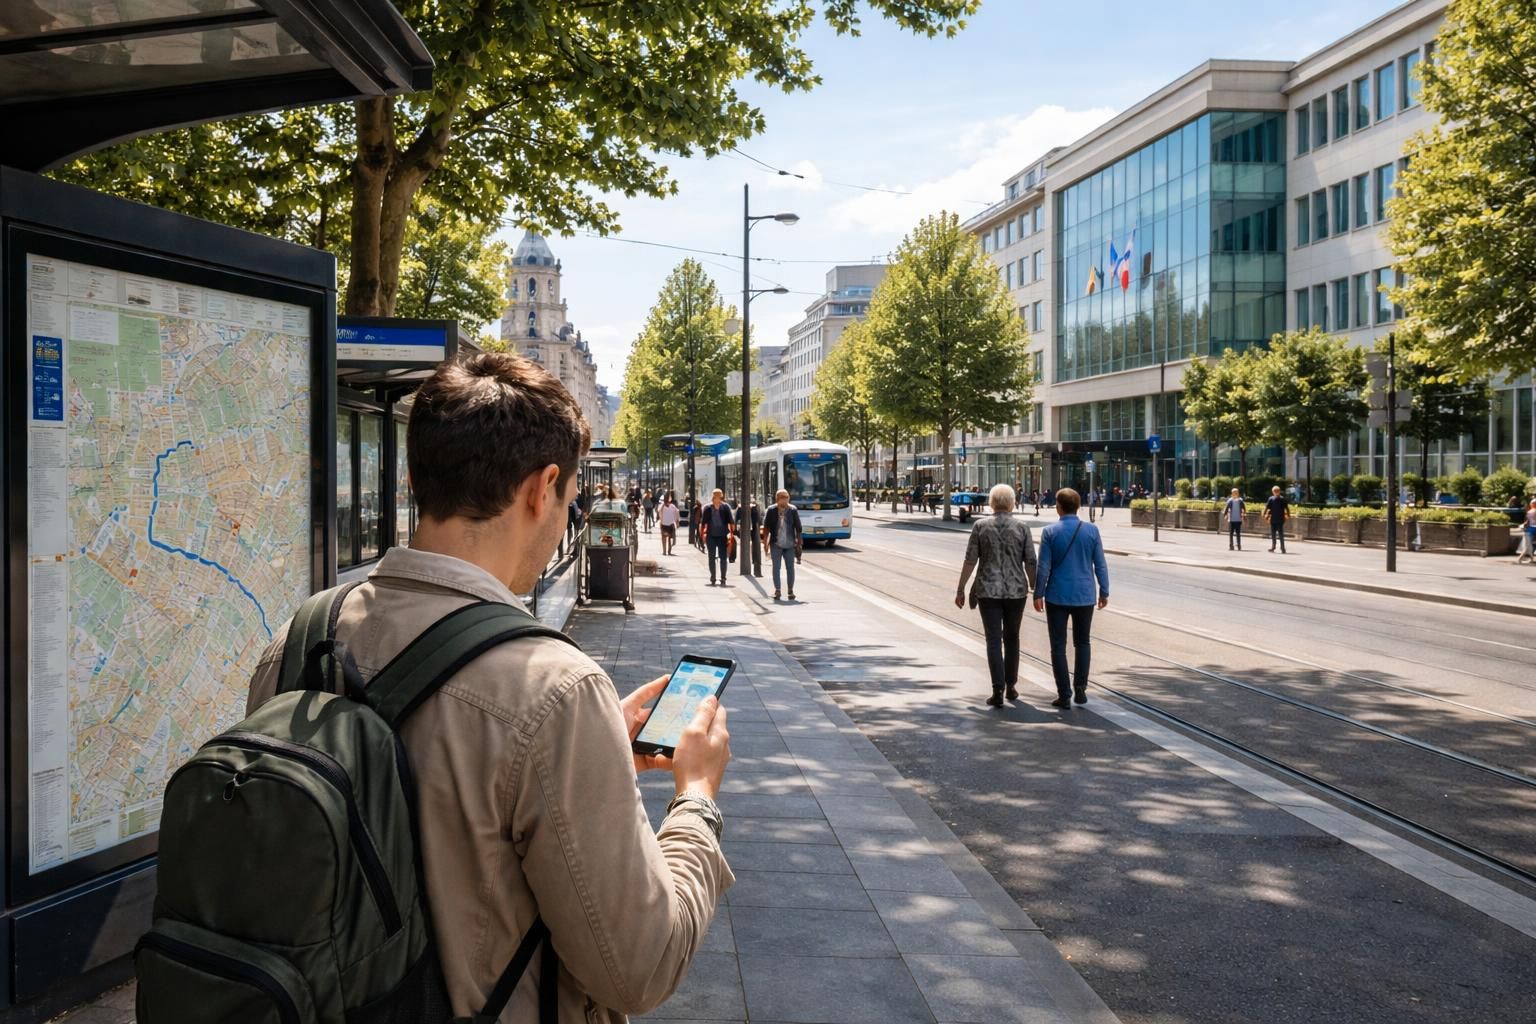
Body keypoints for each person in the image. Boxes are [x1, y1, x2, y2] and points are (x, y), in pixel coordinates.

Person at [245, 352, 732, 1022]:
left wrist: (593, 752)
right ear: (542, 489)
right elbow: (639, 969)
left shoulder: (297, 641)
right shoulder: (554, 690)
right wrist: (697, 800)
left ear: (417, 479)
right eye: (566, 502)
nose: (564, 519)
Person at [954, 484, 1037, 707]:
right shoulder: (1022, 527)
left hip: (988, 591)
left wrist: (961, 587)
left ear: (991, 503)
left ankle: (997, 688)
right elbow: (1030, 561)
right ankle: (1011, 685)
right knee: (1012, 638)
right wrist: (1034, 585)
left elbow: (970, 560)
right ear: (1012, 503)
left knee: (993, 639)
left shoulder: (980, 526)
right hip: (1016, 591)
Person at [1033, 488, 1109, 709]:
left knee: (1058, 645)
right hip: (1085, 595)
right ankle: (1081, 689)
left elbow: (1044, 566)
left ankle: (1064, 694)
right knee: (1082, 642)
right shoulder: (1092, 531)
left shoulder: (1049, 532)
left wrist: (1038, 592)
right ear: (1078, 506)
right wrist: (1104, 590)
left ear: (1058, 506)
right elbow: (1100, 564)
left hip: (1057, 595)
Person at [762, 488, 803, 601]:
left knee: (790, 568)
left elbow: (798, 528)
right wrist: (765, 543)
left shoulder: (793, 510)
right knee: (776, 568)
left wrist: (799, 542)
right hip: (776, 543)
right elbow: (766, 528)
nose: (785, 500)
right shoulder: (771, 510)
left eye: (787, 498)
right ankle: (778, 590)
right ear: (777, 499)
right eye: (783, 498)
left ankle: (790, 590)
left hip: (790, 544)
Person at [702, 488, 735, 585]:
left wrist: (732, 534)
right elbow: (703, 523)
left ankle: (723, 578)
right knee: (711, 557)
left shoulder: (725, 507)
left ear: (721, 497)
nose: (717, 498)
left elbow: (731, 521)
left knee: (723, 557)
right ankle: (713, 577)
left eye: (718, 496)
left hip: (722, 535)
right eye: (715, 496)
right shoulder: (707, 508)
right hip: (711, 535)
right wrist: (703, 535)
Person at [1263, 485, 1290, 554]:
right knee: (1273, 534)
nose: (1276, 492)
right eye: (1274, 491)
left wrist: (1288, 515)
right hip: (1273, 519)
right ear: (1272, 492)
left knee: (1281, 534)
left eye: (1277, 491)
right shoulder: (1271, 499)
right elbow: (1267, 507)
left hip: (1280, 519)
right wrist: (1264, 513)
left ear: (1279, 491)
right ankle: (1273, 547)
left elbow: (1286, 508)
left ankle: (1282, 548)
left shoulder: (1283, 499)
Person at [1520, 497, 1536, 565]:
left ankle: (1530, 558)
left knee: (1529, 544)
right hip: (1533, 529)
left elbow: (1527, 521)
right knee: (1532, 544)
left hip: (1530, 529)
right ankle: (1530, 558)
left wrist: (1523, 526)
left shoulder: (1529, 512)